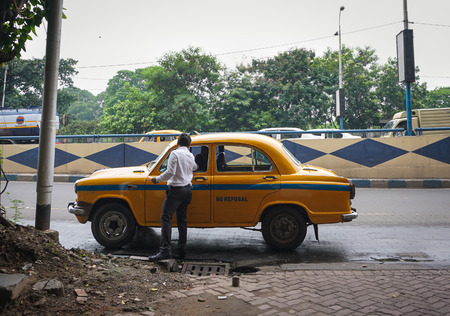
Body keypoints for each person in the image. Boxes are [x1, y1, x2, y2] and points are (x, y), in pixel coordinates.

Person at [149, 133, 198, 260]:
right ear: (189, 145)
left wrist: (157, 179)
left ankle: (165, 250)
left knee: (166, 217)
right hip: (187, 190)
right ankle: (181, 250)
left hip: (176, 191)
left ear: (177, 143)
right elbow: (194, 167)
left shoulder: (175, 154)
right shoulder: (190, 155)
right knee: (182, 220)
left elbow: (170, 172)